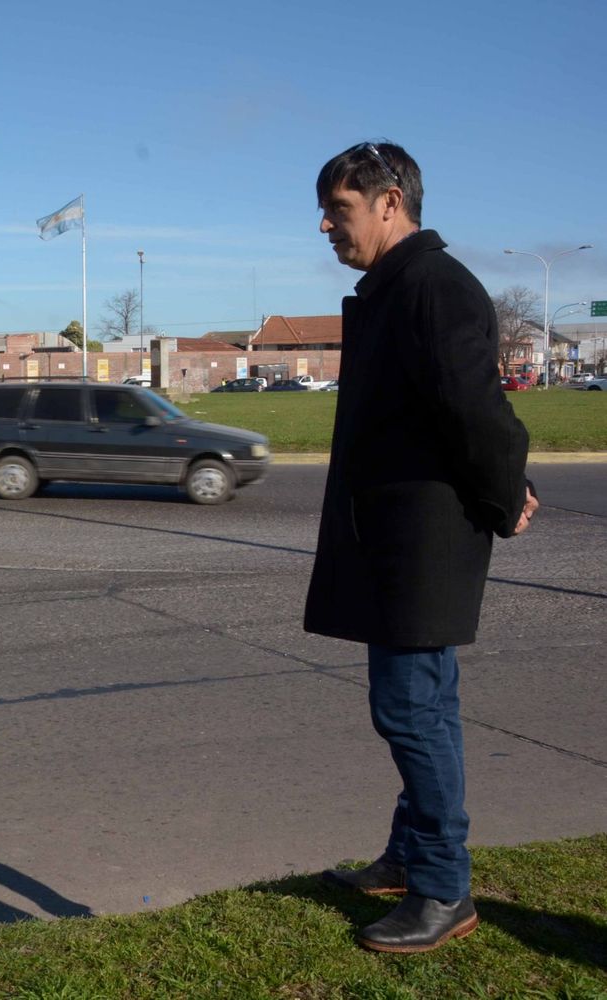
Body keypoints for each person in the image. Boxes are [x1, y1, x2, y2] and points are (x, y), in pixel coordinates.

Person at [305, 141, 538, 954]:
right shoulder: (399, 288)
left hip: (423, 541)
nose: (328, 226)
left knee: (411, 707)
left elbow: (478, 414)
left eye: (339, 209)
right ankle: (410, 857)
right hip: (395, 535)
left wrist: (507, 494)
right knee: (418, 703)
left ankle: (444, 887)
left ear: (390, 201)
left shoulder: (435, 289)